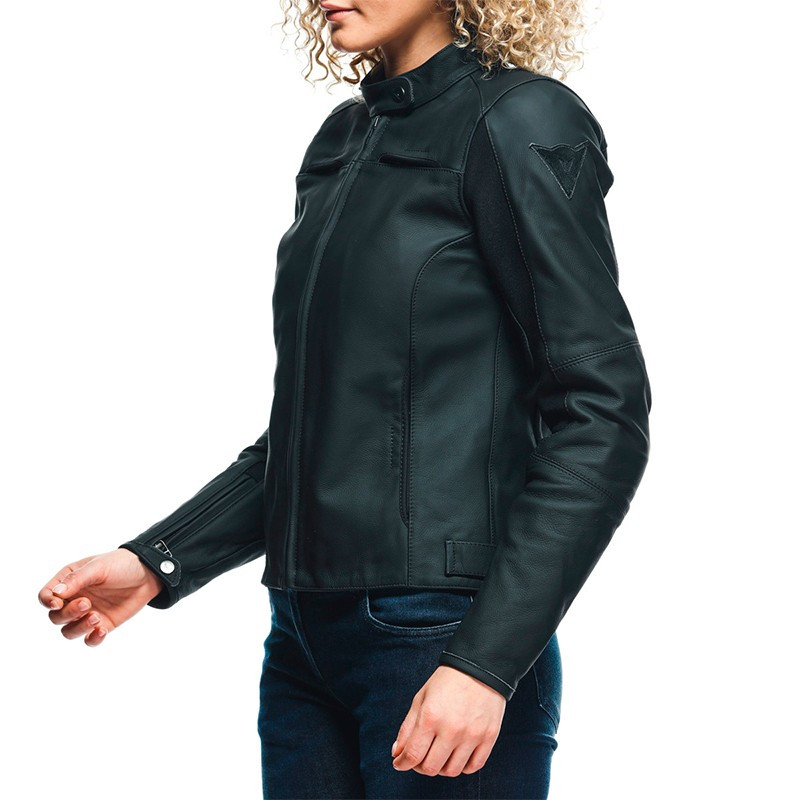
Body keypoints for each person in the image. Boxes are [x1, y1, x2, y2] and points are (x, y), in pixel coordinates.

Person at [38, 1, 652, 798]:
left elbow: (602, 410)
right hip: (302, 639)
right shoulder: (344, 140)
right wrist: (158, 559)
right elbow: (317, 432)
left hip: (440, 636)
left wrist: (486, 662)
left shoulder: (519, 118)